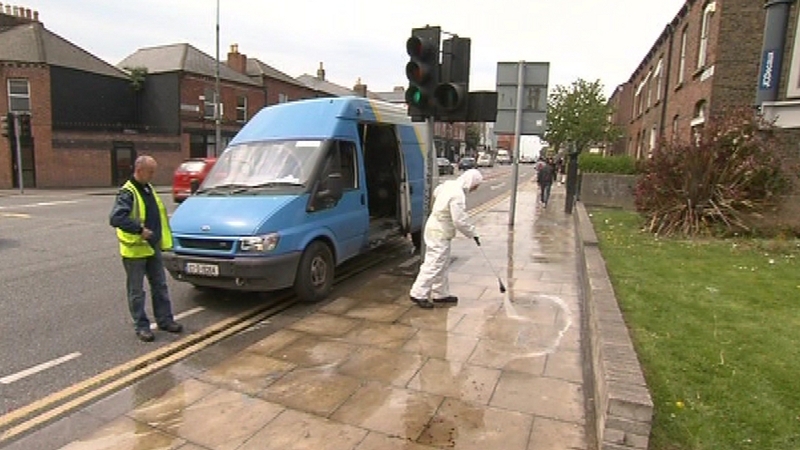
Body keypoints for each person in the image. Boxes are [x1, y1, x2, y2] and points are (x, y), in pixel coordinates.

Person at [109, 155, 183, 342]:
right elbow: (116, 218)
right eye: (150, 172)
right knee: (137, 292)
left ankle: (165, 320)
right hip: (135, 250)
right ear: (140, 170)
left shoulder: (148, 189)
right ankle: (141, 326)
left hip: (152, 248)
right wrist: (139, 230)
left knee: (160, 286)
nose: (153, 175)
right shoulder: (128, 192)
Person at [409, 168, 483, 309]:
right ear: (471, 183)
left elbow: (436, 194)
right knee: (434, 264)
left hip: (435, 228)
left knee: (442, 264)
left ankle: (440, 293)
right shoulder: (458, 195)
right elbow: (459, 220)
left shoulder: (448, 185)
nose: (475, 189)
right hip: (439, 232)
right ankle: (418, 293)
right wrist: (473, 233)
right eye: (476, 186)